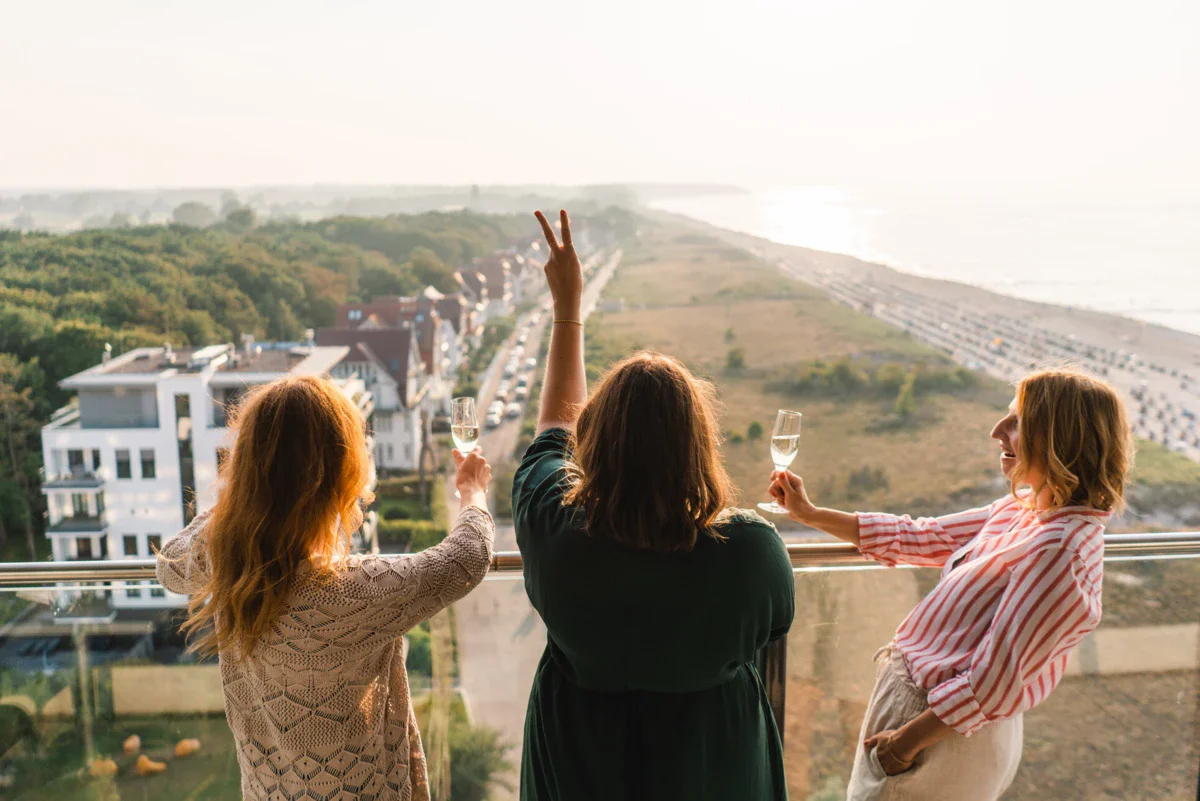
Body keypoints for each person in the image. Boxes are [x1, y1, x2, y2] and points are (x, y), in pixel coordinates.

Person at [513, 210, 795, 801]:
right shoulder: (748, 552)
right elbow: (773, 626)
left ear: (593, 444)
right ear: (699, 448)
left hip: (583, 762)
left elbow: (552, 433)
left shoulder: (554, 533)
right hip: (712, 765)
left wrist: (568, 309)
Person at [768, 368, 1132, 801]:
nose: (996, 431)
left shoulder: (1061, 549)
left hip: (942, 737)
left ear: (1061, 439)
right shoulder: (1024, 511)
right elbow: (923, 537)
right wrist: (810, 514)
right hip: (924, 722)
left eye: (1017, 422)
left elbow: (997, 680)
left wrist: (902, 746)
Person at [156, 374, 495, 801]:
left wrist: (242, 498)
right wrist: (472, 491)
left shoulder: (233, 567)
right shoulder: (352, 591)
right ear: (340, 472)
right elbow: (467, 557)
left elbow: (170, 565)